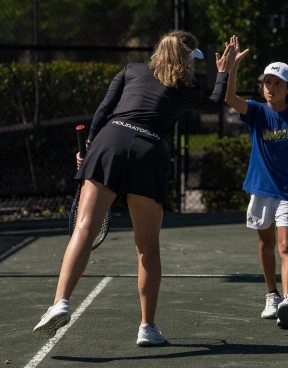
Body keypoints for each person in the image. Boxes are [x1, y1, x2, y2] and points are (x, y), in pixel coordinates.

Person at [33, 30, 237, 346]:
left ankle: (60, 302)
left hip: (110, 143)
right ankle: (147, 327)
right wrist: (224, 72)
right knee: (147, 247)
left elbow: (102, 111)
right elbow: (214, 104)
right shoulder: (185, 87)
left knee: (83, 229)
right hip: (148, 153)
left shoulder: (131, 70)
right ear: (186, 60)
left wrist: (87, 150)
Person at [225, 35, 288, 329]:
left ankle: (287, 301)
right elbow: (230, 98)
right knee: (265, 245)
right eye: (267, 82)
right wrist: (231, 68)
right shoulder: (256, 111)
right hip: (260, 190)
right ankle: (271, 295)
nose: (270, 88)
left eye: (277, 83)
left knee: (286, 245)